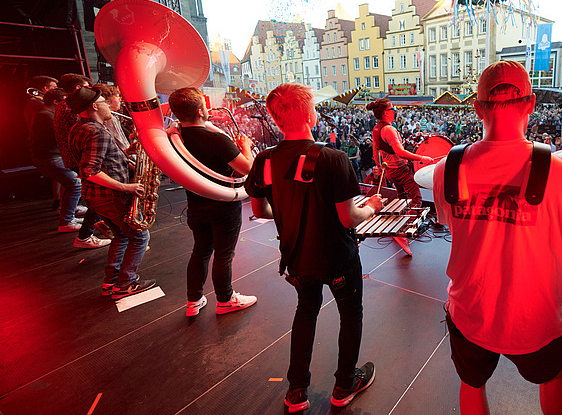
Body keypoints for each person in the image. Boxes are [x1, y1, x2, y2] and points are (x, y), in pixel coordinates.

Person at [432, 60, 562, 414]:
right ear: (531, 103)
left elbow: (448, 223)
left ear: (477, 108)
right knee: (551, 379)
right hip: (535, 320)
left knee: (471, 384)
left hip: (469, 313)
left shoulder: (448, 167)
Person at [245, 83, 383, 413]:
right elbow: (349, 218)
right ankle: (344, 385)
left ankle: (296, 392)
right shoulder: (333, 158)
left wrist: (286, 209)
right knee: (351, 315)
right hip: (338, 259)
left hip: (297, 259)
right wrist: (373, 206)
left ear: (277, 121)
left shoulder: (263, 161)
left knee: (306, 312)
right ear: (310, 115)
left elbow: (259, 211)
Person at [168, 88, 257, 317]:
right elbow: (247, 168)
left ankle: (193, 300)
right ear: (200, 111)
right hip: (223, 205)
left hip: (196, 204)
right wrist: (245, 146)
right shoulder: (215, 139)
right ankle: (226, 300)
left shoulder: (174, 138)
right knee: (224, 254)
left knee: (200, 250)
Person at [67, 86, 156, 299]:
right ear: (95, 106)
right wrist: (127, 187)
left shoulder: (79, 128)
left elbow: (96, 161)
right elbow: (90, 171)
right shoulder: (97, 131)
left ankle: (111, 282)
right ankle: (125, 284)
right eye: (104, 102)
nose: (109, 106)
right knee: (139, 236)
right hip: (111, 196)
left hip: (97, 197)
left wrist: (125, 154)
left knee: (121, 235)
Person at [54, 74, 112, 249]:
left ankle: (104, 225)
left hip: (74, 156)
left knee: (99, 197)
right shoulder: (75, 111)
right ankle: (85, 235)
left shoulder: (64, 106)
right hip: (78, 157)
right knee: (100, 197)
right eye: (87, 87)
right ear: (79, 88)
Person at [29, 88, 84, 232]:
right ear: (56, 102)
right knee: (75, 184)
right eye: (65, 102)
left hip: (52, 157)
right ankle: (66, 221)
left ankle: (68, 211)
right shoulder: (45, 115)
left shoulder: (46, 114)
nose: (67, 107)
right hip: (49, 158)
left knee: (71, 182)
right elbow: (59, 137)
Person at [366, 98, 433, 207]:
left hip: (390, 171)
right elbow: (400, 152)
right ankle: (411, 221)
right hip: (400, 170)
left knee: (402, 197)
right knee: (415, 200)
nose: (395, 111)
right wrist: (422, 158)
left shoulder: (376, 129)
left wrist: (379, 168)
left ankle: (403, 219)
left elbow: (375, 150)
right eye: (393, 108)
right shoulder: (389, 130)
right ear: (385, 112)